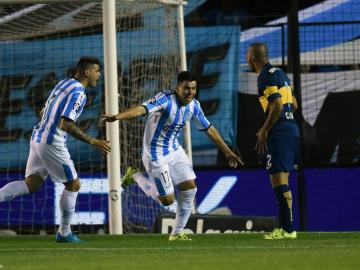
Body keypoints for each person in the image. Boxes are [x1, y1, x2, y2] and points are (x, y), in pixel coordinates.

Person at [103, 71, 243, 240]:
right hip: (155, 154)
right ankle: (135, 176)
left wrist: (227, 152)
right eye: (186, 88)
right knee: (168, 201)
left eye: (193, 88)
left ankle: (176, 234)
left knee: (190, 188)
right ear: (177, 88)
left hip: (175, 150)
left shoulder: (194, 106)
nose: (190, 92)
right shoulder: (165, 99)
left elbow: (209, 129)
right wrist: (117, 117)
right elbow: (142, 109)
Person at [0, 56, 111, 243]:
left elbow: (43, 111)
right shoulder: (79, 93)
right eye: (97, 71)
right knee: (74, 185)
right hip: (52, 142)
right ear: (87, 72)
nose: (99, 75)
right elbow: (66, 124)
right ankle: (65, 233)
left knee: (31, 185)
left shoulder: (64, 83)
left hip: (37, 137)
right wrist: (93, 141)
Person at [246, 43, 299, 240]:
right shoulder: (281, 73)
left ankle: (287, 229)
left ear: (251, 58)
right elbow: (293, 104)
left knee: (278, 179)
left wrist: (264, 130)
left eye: (247, 55)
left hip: (280, 132)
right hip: (291, 128)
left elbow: (276, 104)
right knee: (280, 179)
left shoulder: (265, 76)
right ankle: (287, 228)